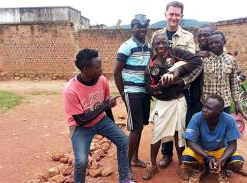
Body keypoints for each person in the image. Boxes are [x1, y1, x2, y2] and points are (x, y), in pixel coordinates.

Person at [63, 49, 133, 183]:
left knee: (123, 141)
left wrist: (112, 125)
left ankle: (124, 179)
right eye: (97, 67)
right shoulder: (70, 90)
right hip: (80, 127)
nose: (101, 70)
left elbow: (105, 105)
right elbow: (81, 120)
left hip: (101, 120)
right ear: (85, 69)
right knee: (81, 162)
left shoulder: (102, 80)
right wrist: (105, 106)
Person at [142, 33, 202, 180]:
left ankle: (183, 165)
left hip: (178, 101)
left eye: (163, 43)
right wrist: (159, 87)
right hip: (162, 104)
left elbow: (196, 60)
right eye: (157, 44)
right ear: (153, 45)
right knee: (157, 134)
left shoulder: (176, 53)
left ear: (168, 43)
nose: (161, 46)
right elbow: (148, 88)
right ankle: (152, 165)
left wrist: (177, 72)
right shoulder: (151, 64)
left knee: (179, 134)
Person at [151, 0, 196, 169]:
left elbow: (189, 61)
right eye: (171, 14)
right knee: (162, 123)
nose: (174, 17)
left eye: (177, 15)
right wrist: (154, 84)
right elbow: (152, 60)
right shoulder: (156, 35)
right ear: (165, 15)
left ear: (182, 16)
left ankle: (183, 161)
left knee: (179, 126)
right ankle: (166, 155)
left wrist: (175, 74)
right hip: (162, 90)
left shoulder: (188, 36)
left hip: (178, 87)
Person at [114, 14, 151, 177]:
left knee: (140, 126)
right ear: (132, 27)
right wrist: (123, 93)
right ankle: (126, 164)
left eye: (145, 26)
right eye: (138, 26)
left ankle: (135, 159)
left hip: (145, 92)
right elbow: (116, 72)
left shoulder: (148, 46)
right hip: (132, 92)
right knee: (135, 129)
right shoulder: (126, 46)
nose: (142, 29)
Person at [181, 95, 245, 183]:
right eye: (204, 106)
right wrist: (207, 156)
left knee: (238, 161)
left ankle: (220, 167)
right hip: (201, 151)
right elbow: (190, 142)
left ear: (220, 111)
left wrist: (221, 160)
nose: (204, 110)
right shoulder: (197, 117)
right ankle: (200, 168)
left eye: (209, 108)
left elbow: (232, 145)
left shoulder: (229, 120)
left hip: (220, 151)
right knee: (186, 158)